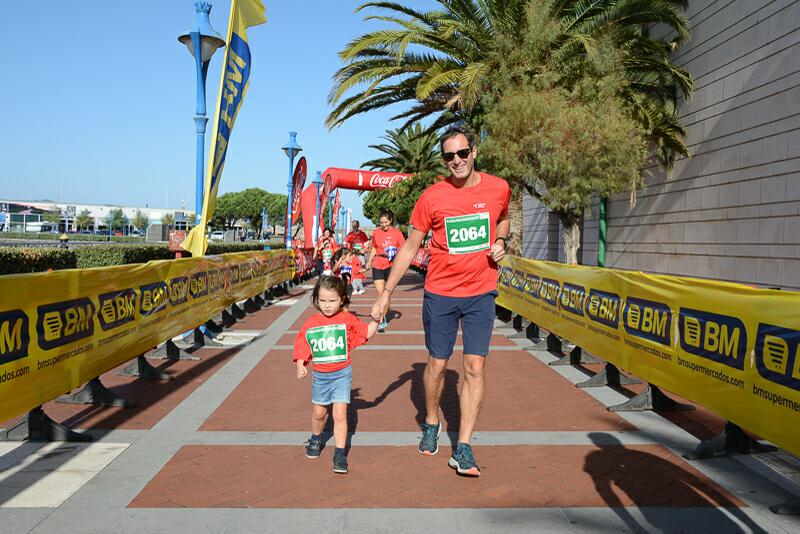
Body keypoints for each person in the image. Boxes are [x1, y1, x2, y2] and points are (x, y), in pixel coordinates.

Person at [371, 125, 510, 477]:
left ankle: (463, 446)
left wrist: (502, 242)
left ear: (474, 151)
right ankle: (432, 421)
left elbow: (503, 219)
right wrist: (386, 293)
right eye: (449, 156)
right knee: (437, 365)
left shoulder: (498, 188)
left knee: (475, 368)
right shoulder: (432, 197)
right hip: (441, 294)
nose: (457, 161)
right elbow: (410, 247)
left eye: (463, 153)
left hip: (481, 291)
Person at [294, 276, 380, 474]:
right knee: (319, 413)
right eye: (322, 300)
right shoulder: (312, 322)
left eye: (332, 301)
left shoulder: (347, 319)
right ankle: (316, 437)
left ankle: (340, 453)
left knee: (339, 415)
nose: (327, 305)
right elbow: (302, 343)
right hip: (320, 377)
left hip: (342, 374)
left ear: (342, 299)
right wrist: (301, 363)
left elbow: (366, 333)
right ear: (316, 300)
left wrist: (376, 320)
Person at [365, 209, 405, 332]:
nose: (384, 224)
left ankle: (382, 317)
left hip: (391, 265)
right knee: (380, 292)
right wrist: (369, 261)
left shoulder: (397, 233)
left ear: (390, 221)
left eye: (386, 222)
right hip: (378, 263)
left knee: (387, 294)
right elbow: (374, 249)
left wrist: (396, 254)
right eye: (382, 222)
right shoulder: (376, 233)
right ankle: (380, 320)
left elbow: (404, 249)